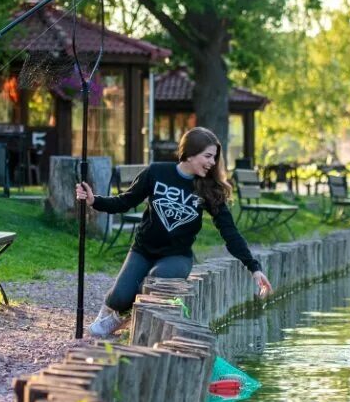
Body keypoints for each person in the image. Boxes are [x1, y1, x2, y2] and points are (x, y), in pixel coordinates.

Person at [76, 127, 273, 338]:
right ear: (189, 153)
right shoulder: (157, 172)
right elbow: (125, 201)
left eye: (214, 158)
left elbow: (230, 232)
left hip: (177, 256)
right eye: (207, 156)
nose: (212, 163)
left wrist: (254, 268)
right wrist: (94, 200)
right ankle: (112, 310)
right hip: (143, 250)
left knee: (156, 280)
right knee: (118, 298)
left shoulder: (208, 188)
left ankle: (121, 318)